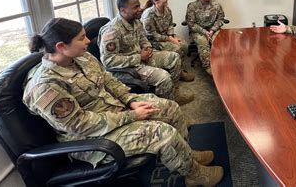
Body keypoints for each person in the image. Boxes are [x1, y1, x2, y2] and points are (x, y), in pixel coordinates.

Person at [23, 18, 223, 185]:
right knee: (163, 134)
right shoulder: (45, 86)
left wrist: (130, 100)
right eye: (81, 38)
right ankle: (194, 176)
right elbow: (80, 124)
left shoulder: (82, 58)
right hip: (91, 139)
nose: (88, 41)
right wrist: (131, 115)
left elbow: (109, 80)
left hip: (115, 111)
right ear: (61, 46)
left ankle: (186, 156)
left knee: (170, 107)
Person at [98, 0, 193, 105]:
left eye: (139, 6)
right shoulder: (112, 31)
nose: (140, 9)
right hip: (127, 67)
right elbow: (108, 61)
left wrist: (147, 47)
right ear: (123, 10)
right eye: (135, 7)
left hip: (142, 56)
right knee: (163, 77)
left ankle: (173, 93)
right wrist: (139, 57)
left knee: (174, 57)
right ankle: (167, 104)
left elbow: (143, 38)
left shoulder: (136, 22)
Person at [141, 0, 194, 82]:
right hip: (154, 41)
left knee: (185, 46)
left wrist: (171, 36)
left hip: (167, 36)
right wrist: (169, 39)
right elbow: (152, 35)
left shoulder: (167, 9)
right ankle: (178, 74)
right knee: (176, 48)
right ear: (156, 1)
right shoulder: (148, 15)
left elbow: (170, 24)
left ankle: (179, 69)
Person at [185, 0, 225, 76]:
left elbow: (220, 19)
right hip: (198, 31)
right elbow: (191, 24)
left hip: (212, 30)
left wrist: (212, 30)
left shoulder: (216, 5)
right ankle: (208, 68)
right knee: (203, 42)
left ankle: (220, 64)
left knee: (218, 42)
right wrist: (204, 32)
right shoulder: (192, 6)